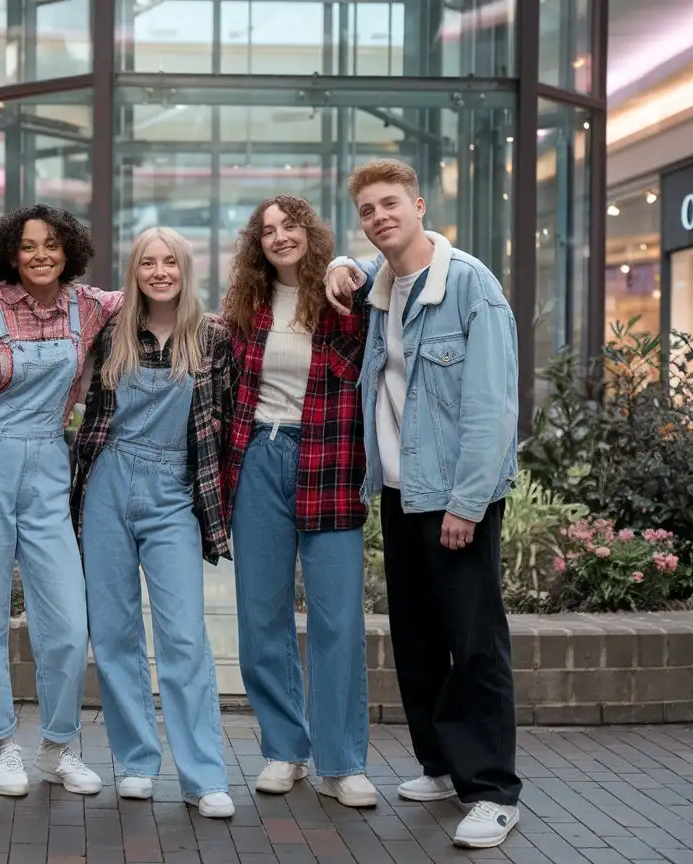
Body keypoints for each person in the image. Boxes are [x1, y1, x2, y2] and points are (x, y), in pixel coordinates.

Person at [327, 158, 521, 849]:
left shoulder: (469, 283)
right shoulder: (384, 287)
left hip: (455, 495)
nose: (379, 217)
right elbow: (355, 278)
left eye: (389, 205)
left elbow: (493, 406)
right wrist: (342, 263)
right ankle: (439, 765)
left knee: (473, 644)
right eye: (367, 211)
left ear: (418, 205)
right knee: (416, 638)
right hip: (401, 493)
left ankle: (493, 790)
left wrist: (467, 504)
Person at [0, 204, 122, 798]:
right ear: (9, 253)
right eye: (28, 246)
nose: (41, 255)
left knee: (70, 623)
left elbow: (166, 295)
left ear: (69, 249)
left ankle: (57, 745)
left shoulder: (91, 306)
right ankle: (1, 745)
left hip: (50, 461)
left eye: (51, 244)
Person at [71, 228, 235, 819]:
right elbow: (59, 287)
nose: (160, 271)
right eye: (148, 262)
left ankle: (204, 776)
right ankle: (136, 762)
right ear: (133, 271)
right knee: (114, 635)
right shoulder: (110, 330)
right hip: (108, 482)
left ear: (186, 269)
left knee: (185, 636)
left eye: (170, 262)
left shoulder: (213, 335)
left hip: (173, 495)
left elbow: (229, 419)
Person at [220, 195, 376, 808]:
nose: (280, 237)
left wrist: (346, 260)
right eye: (267, 231)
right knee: (262, 616)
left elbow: (385, 269)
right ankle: (285, 750)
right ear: (256, 245)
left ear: (310, 231)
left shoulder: (345, 295)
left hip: (331, 460)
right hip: (260, 455)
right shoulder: (247, 306)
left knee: (338, 618)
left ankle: (342, 762)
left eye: (290, 226)